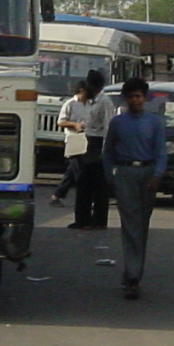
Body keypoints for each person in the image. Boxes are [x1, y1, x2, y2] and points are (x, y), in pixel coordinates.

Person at [104, 77, 167, 298]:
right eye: (131, 97)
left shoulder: (155, 122)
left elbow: (161, 152)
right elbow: (108, 152)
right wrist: (110, 176)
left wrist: (157, 175)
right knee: (131, 226)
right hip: (125, 174)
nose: (135, 100)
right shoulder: (118, 123)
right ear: (126, 99)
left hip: (147, 176)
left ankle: (133, 270)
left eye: (138, 96)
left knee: (141, 225)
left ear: (145, 97)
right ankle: (132, 277)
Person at [69, 69, 114, 232]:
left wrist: (105, 151)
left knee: (99, 186)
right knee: (82, 183)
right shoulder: (87, 100)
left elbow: (108, 126)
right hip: (83, 142)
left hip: (98, 144)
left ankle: (99, 220)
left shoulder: (105, 101)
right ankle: (81, 219)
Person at [50, 78, 92, 208]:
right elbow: (61, 122)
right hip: (74, 140)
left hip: (88, 139)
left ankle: (57, 196)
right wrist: (75, 124)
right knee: (79, 171)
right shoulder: (70, 104)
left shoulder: (91, 104)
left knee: (72, 172)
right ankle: (85, 200)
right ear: (82, 90)